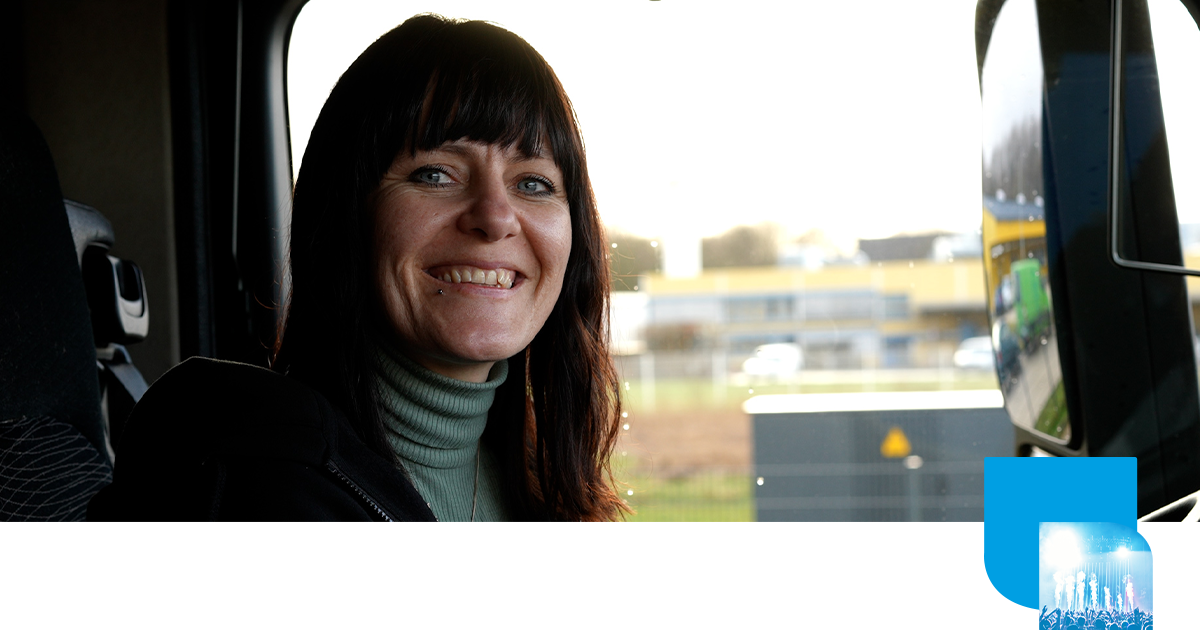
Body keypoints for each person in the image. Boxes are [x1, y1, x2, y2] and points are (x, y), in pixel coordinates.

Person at [88, 15, 627, 521]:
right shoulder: (250, 485)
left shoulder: (543, 479)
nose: (495, 217)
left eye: (533, 183)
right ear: (345, 214)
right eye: (435, 174)